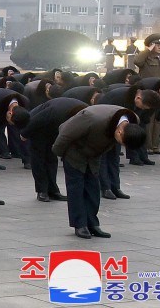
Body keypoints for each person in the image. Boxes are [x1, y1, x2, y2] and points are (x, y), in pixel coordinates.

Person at [53, 104, 146, 239]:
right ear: (120, 132)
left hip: (95, 154)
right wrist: (60, 153)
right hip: (75, 152)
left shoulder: (133, 121)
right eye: (122, 143)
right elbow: (65, 131)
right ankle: (80, 225)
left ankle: (92, 224)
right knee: (76, 188)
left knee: (93, 188)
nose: (121, 146)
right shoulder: (93, 119)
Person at [21, 97, 86, 202]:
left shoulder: (86, 113)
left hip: (52, 129)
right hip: (38, 128)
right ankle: (42, 191)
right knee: (39, 159)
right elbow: (37, 120)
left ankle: (53, 190)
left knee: (51, 159)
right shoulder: (57, 112)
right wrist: (24, 134)